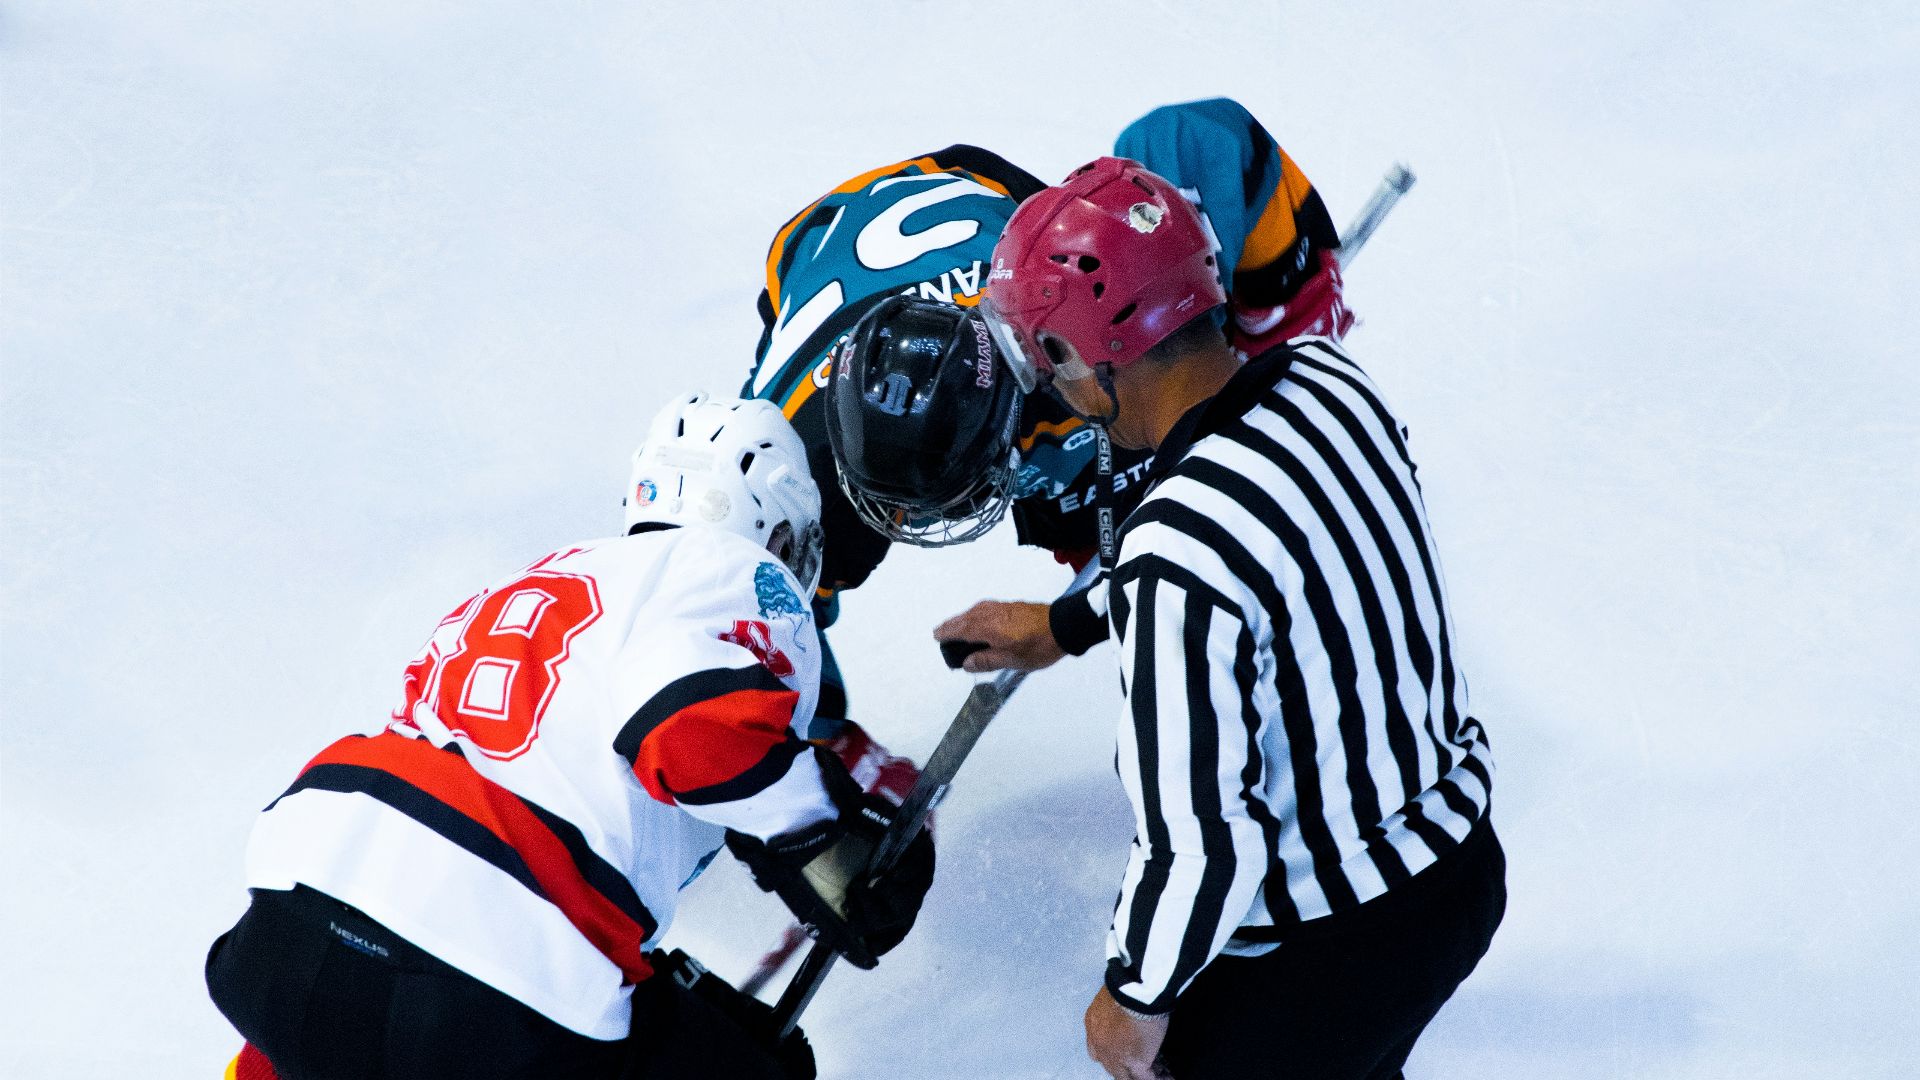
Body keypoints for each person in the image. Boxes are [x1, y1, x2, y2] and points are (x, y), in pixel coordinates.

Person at [203, 393, 935, 1080]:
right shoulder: (731, 573)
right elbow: (682, 723)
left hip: (288, 937)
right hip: (478, 981)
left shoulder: (544, 580)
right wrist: (821, 828)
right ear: (777, 525)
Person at [971, 159, 1505, 1079]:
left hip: (1327, 961)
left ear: (1086, 354)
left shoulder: (1171, 557)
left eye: (1045, 360)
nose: (1052, 393)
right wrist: (1069, 623)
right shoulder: (1336, 386)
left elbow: (1203, 851)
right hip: (1458, 873)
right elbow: (1280, 553)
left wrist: (1131, 1000)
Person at [744, 98, 1353, 698]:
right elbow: (749, 611)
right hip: (823, 253)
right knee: (771, 557)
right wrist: (826, 747)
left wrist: (1270, 328)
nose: (922, 523)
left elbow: (1200, 138)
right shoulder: (790, 468)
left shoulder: (1074, 338)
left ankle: (1277, 329)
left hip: (980, 221)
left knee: (1186, 397)